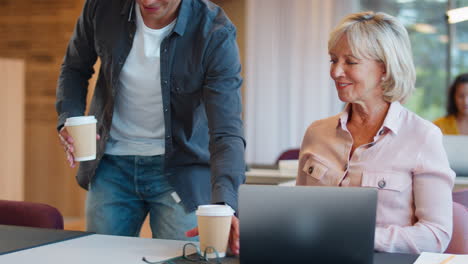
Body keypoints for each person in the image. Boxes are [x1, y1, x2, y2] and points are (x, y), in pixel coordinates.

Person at [56, 0, 243, 254]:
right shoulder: (101, 8)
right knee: (99, 258)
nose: (148, 2)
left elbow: (226, 131)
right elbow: (74, 68)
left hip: (181, 172)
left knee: (179, 258)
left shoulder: (215, 33)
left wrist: (224, 205)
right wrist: (69, 117)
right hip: (111, 166)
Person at [296, 11, 455, 254]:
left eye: (350, 62)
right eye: (333, 60)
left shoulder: (423, 137)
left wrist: (360, 237)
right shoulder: (316, 133)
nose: (336, 72)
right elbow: (299, 213)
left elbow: (435, 235)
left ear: (385, 68)